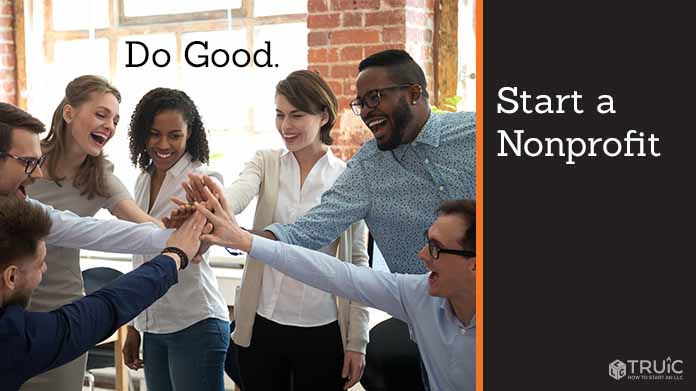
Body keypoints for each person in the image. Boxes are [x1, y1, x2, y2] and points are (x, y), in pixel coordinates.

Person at [180, 49, 475, 389]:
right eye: (361, 102)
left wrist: (355, 342)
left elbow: (355, 263)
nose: (367, 111)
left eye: (375, 98)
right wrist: (225, 223)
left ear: (413, 92)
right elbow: (309, 234)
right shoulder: (365, 168)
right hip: (428, 313)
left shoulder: (476, 133)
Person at [195, 183, 476, 391]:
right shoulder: (417, 295)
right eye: (427, 242)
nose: (422, 255)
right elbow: (334, 274)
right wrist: (245, 241)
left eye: (436, 248)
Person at [214, 70, 369, 390]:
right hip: (262, 324)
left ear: (323, 116)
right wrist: (216, 204)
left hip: (322, 328)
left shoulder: (348, 178)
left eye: (297, 115)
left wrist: (357, 342)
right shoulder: (266, 162)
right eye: (280, 114)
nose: (286, 126)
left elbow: (358, 264)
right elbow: (237, 194)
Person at [22, 75, 161, 391]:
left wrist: (180, 231)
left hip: (64, 310)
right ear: (69, 113)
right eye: (101, 115)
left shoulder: (100, 178)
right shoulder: (26, 160)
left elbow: (141, 223)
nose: (109, 126)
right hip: (13, 307)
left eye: (114, 120)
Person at [0, 194, 208, 391]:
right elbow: (105, 308)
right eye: (41, 264)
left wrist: (169, 240)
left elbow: (85, 229)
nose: (45, 270)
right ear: (11, 277)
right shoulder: (12, 338)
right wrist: (175, 255)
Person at [122, 88, 230, 391]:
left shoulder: (206, 178)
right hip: (154, 328)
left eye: (174, 135)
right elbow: (139, 255)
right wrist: (135, 326)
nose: (163, 145)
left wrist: (193, 228)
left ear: (190, 133)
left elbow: (203, 242)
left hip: (195, 323)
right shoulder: (142, 179)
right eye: (154, 134)